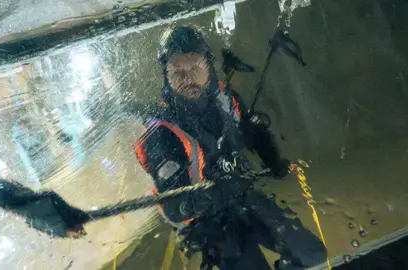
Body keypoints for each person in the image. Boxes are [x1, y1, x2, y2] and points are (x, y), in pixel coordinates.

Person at [134, 26, 326, 269]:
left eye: (195, 68)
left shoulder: (225, 99)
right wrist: (208, 193)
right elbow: (175, 209)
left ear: (208, 67)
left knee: (312, 253)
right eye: (177, 72)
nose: (188, 79)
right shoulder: (161, 133)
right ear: (167, 77)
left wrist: (272, 159)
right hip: (209, 224)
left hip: (244, 198)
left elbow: (250, 133)